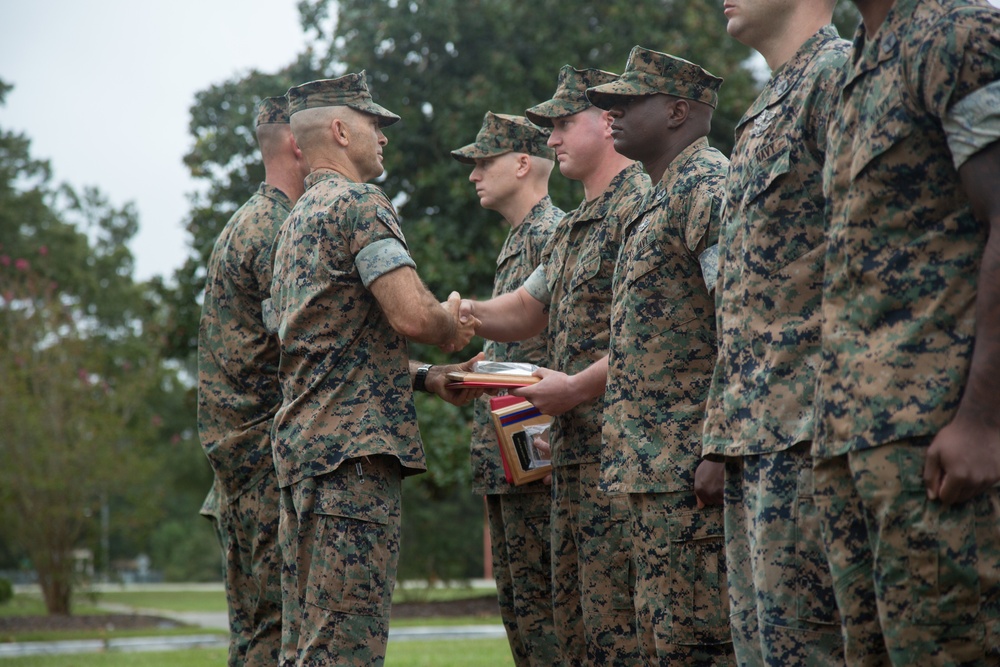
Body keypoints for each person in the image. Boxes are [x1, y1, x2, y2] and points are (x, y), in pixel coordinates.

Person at [268, 71, 477, 666]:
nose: (383, 137)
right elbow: (412, 316)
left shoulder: (295, 224)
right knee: (344, 650)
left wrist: (425, 377)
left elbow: (329, 343)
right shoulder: (359, 204)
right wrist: (451, 324)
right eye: (374, 125)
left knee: (308, 645)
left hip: (306, 456)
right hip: (351, 463)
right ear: (339, 131)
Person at [815, 0, 1000, 662]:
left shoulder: (957, 35)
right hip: (858, 444)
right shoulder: (860, 63)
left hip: (937, 441)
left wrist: (984, 418)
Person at [460, 64, 650, 665]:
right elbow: (523, 310)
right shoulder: (574, 232)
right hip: (570, 458)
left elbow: (658, 335)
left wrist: (575, 387)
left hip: (621, 460)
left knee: (622, 635)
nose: (550, 137)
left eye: (564, 123)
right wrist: (449, 314)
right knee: (572, 632)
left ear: (608, 120)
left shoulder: (640, 206)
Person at [699, 2, 854, 664]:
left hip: (813, 431)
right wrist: (718, 435)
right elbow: (739, 295)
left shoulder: (837, 77)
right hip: (755, 434)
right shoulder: (762, 110)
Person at [579, 46, 734, 665]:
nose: (610, 113)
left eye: (626, 101)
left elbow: (739, 314)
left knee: (696, 648)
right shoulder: (656, 197)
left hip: (688, 476)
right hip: (651, 476)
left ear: (677, 110)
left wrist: (721, 443)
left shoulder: (705, 186)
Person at [197, 95, 309, 667]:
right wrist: (424, 374)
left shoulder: (249, 220)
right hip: (262, 462)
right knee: (275, 630)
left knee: (253, 632)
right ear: (296, 143)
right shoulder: (277, 231)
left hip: (241, 464)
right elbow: (314, 346)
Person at [450, 111, 563, 666]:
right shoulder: (522, 239)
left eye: (483, 162)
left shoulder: (551, 234)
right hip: (511, 460)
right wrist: (475, 371)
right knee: (523, 616)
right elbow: (516, 353)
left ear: (522, 164)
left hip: (539, 459)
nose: (473, 174)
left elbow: (560, 349)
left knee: (548, 621)